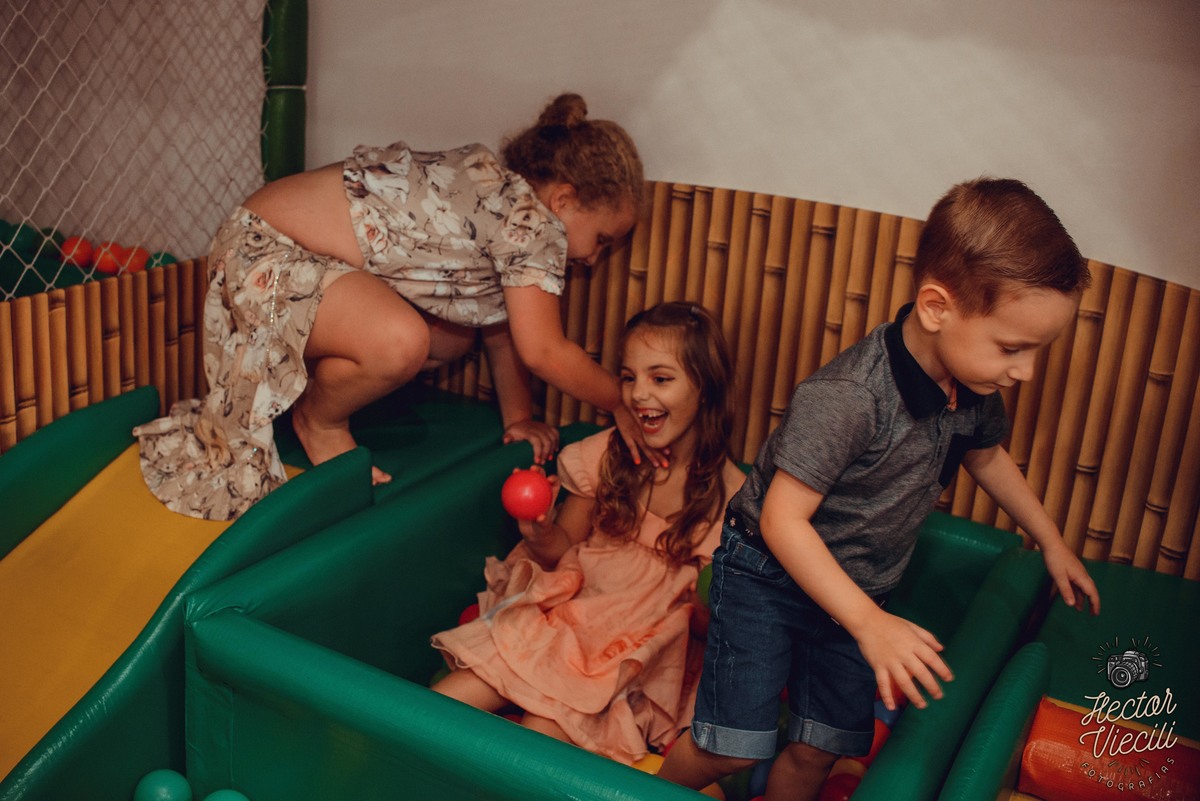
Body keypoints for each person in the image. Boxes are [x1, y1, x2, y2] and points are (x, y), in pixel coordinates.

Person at [657, 178, 1103, 801]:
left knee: (819, 748)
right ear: (936, 307)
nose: (1025, 371)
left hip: (859, 586)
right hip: (768, 576)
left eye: (1036, 352)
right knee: (729, 746)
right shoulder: (849, 398)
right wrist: (870, 624)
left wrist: (1051, 541)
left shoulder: (973, 388)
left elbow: (987, 457)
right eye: (1012, 348)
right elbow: (782, 522)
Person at [134, 93, 660, 520]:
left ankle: (307, 389)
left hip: (271, 249)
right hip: (263, 254)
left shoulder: (504, 202)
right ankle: (320, 421)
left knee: (451, 336)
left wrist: (518, 420)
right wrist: (618, 401)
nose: (595, 258)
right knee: (400, 341)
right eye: (602, 238)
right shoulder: (534, 224)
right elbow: (544, 350)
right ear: (563, 201)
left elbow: (499, 327)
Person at [430, 302, 746, 768]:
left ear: (706, 388)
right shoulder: (603, 456)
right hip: (564, 621)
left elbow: (701, 627)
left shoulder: (733, 500)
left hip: (625, 655)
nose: (639, 394)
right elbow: (562, 549)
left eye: (661, 379)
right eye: (628, 377)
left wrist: (709, 600)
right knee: (439, 706)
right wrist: (538, 531)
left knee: (534, 743)